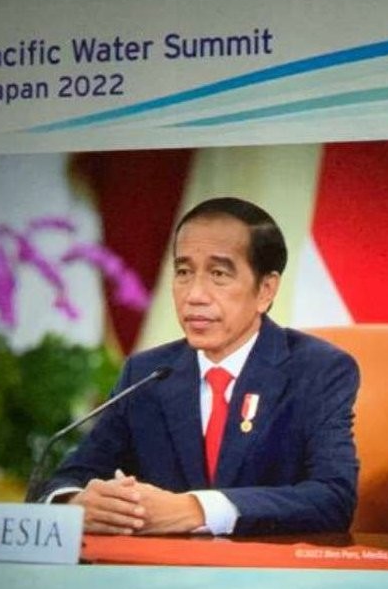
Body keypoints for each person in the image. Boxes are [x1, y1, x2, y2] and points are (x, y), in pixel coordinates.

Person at [26, 197, 359, 536]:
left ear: (265, 289)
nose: (195, 294)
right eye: (184, 272)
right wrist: (76, 504)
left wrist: (196, 509)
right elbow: (66, 478)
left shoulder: (319, 370)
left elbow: (333, 498)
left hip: (267, 578)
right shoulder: (146, 373)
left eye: (218, 273)